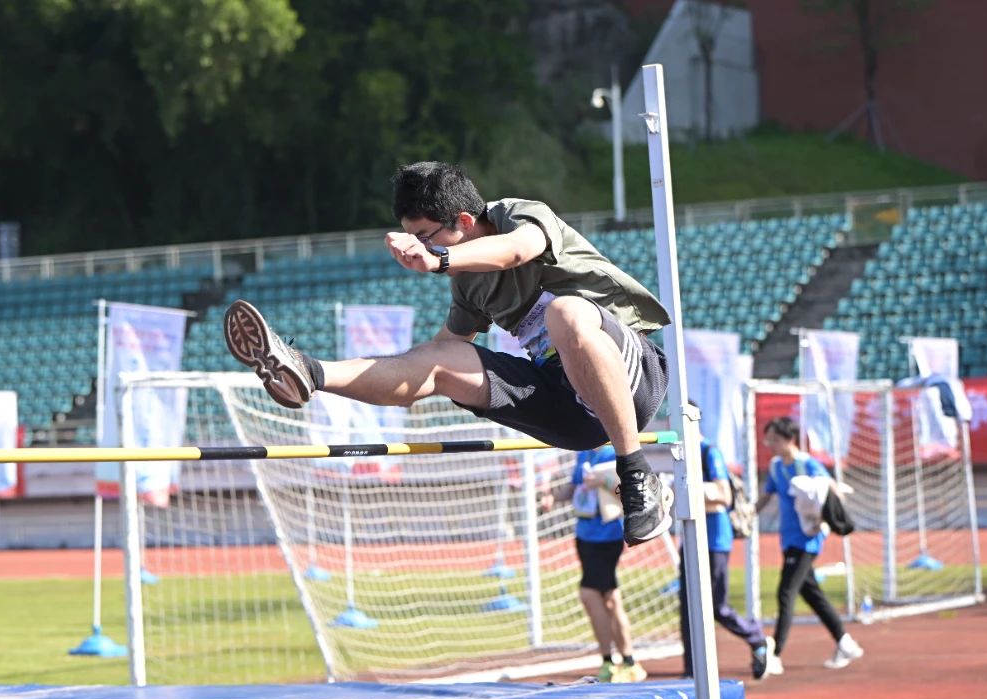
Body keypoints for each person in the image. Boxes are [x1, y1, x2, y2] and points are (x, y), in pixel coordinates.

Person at [223, 161, 671, 545]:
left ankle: (635, 473)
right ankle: (311, 372)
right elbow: (436, 356)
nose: (424, 248)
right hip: (570, 409)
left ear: (463, 220)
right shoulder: (468, 283)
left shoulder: (519, 215)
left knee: (567, 316)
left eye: (427, 236)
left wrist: (438, 260)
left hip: (633, 380)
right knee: (437, 358)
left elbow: (516, 251)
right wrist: (360, 370)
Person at [752, 417, 864, 672]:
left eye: (775, 439)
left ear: (789, 440)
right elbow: (767, 495)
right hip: (788, 536)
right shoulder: (776, 466)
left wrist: (825, 516)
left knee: (786, 592)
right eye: (768, 439)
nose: (770, 444)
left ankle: (776, 653)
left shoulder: (807, 465)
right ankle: (844, 642)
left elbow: (831, 488)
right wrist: (750, 513)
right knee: (810, 593)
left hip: (808, 537)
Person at [542, 446, 647, 683]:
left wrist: (605, 480)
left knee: (589, 594)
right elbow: (574, 486)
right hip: (585, 534)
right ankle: (628, 661)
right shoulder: (584, 453)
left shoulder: (614, 454)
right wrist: (554, 497)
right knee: (610, 598)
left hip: (608, 535)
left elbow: (627, 491)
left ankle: (609, 661)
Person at [678, 430, 772, 680]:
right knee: (688, 606)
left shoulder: (709, 452)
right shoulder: (675, 453)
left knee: (717, 606)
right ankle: (691, 671)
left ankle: (755, 637)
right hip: (689, 539)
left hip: (715, 539)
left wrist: (688, 490)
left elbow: (724, 494)